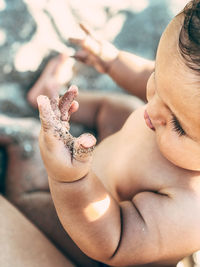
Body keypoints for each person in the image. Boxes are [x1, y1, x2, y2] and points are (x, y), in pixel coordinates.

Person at [35, 0, 200, 266]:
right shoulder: (181, 95)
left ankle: (24, 171)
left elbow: (116, 241)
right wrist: (111, 61)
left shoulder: (191, 209)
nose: (153, 108)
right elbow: (147, 75)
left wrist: (69, 181)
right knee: (121, 108)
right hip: (104, 166)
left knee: (31, 194)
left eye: (178, 124)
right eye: (158, 78)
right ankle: (50, 103)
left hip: (87, 237)